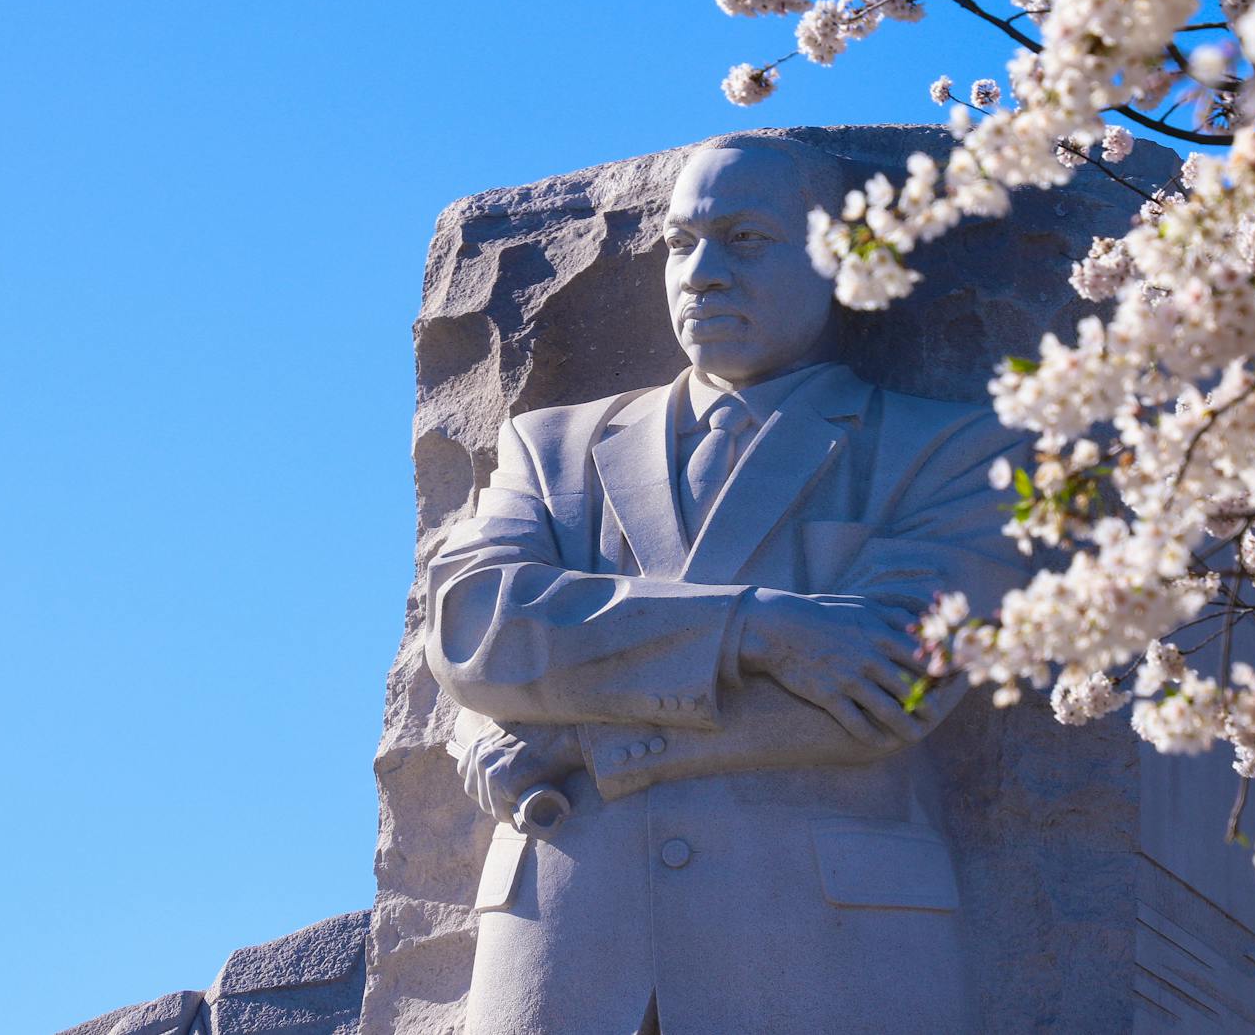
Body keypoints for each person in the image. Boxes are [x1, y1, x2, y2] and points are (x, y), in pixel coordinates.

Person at [424, 135, 1027, 1034]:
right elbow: (477, 630)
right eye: (680, 242)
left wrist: (582, 739)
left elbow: (889, 687)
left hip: (828, 950)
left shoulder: (953, 450)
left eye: (745, 239)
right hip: (565, 942)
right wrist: (762, 628)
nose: (700, 274)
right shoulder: (550, 448)